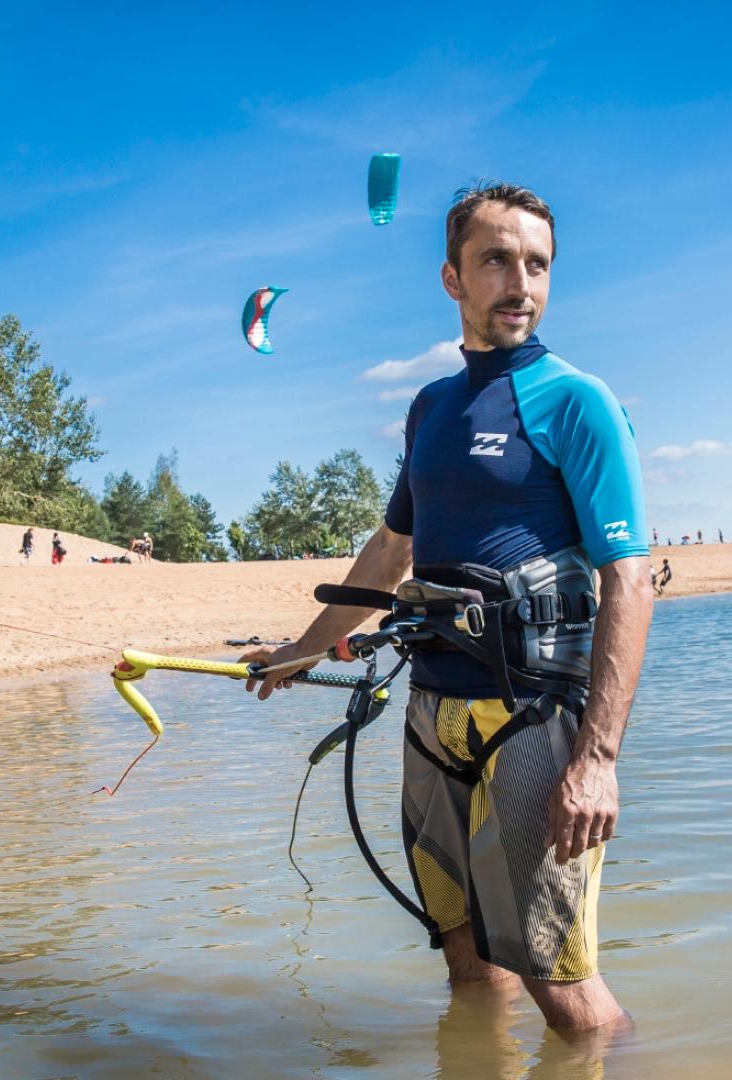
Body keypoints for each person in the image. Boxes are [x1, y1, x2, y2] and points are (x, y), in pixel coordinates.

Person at [241, 182, 649, 1034]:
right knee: (466, 961)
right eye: (496, 260)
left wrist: (598, 759)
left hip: (532, 717)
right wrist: (302, 651)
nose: (520, 283)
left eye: (537, 264)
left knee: (563, 988)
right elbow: (392, 549)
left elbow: (630, 580)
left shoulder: (577, 400)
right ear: (452, 278)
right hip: (432, 715)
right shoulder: (431, 406)